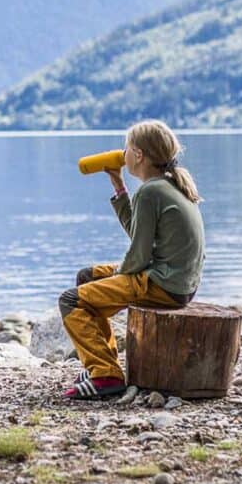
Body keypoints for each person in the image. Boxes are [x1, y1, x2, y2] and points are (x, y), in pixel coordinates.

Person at [59, 120, 206, 402]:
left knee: (71, 300)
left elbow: (138, 255)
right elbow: (139, 233)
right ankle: (102, 363)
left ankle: (105, 376)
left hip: (162, 283)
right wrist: (118, 185)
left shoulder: (151, 192)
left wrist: (118, 275)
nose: (123, 153)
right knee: (87, 277)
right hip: (176, 281)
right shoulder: (166, 185)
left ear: (138, 155)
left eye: (127, 148)